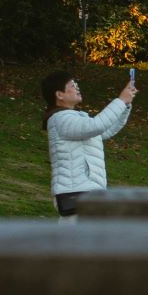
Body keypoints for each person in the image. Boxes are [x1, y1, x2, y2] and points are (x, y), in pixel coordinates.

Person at [42, 68, 136, 218]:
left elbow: (105, 130)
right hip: (75, 193)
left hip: (87, 191)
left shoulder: (74, 118)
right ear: (59, 95)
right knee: (79, 240)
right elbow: (97, 125)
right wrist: (121, 100)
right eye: (72, 85)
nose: (77, 87)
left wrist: (125, 106)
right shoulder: (60, 119)